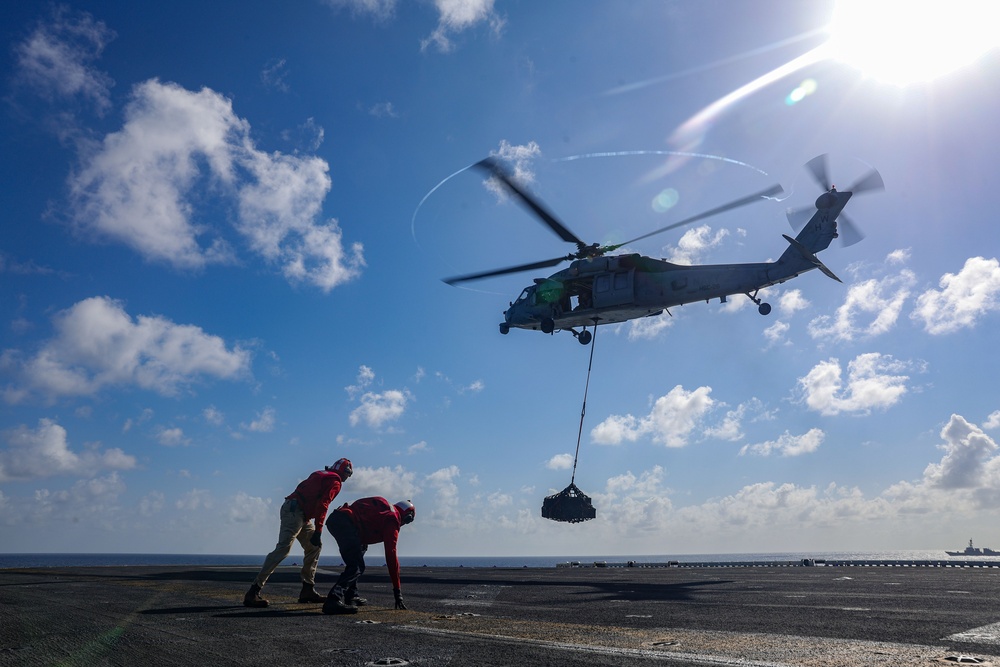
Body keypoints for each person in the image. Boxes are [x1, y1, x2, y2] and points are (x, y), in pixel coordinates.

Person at [243, 458, 353, 607]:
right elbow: (323, 504)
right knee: (283, 549)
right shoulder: (335, 482)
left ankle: (307, 589)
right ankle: (253, 591)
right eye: (348, 473)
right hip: (296, 511)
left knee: (314, 547)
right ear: (343, 472)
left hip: (298, 511)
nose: (348, 477)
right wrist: (319, 530)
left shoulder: (322, 474)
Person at [322, 497, 415, 614]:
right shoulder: (393, 518)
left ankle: (351, 595)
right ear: (407, 516)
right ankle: (333, 599)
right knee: (356, 566)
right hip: (346, 523)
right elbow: (391, 554)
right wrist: (397, 591)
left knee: (359, 554)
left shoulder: (383, 506)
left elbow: (360, 513)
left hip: (337, 519)